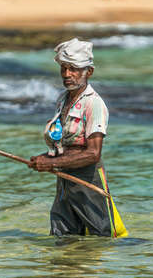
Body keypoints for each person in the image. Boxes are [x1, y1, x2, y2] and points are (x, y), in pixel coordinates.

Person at [29, 38, 128, 238]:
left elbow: (93, 153)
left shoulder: (94, 104)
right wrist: (44, 160)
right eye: (64, 68)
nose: (67, 74)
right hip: (64, 182)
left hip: (88, 183)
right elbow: (63, 146)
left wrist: (51, 163)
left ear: (88, 72)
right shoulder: (62, 100)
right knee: (61, 237)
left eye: (73, 69)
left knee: (102, 238)